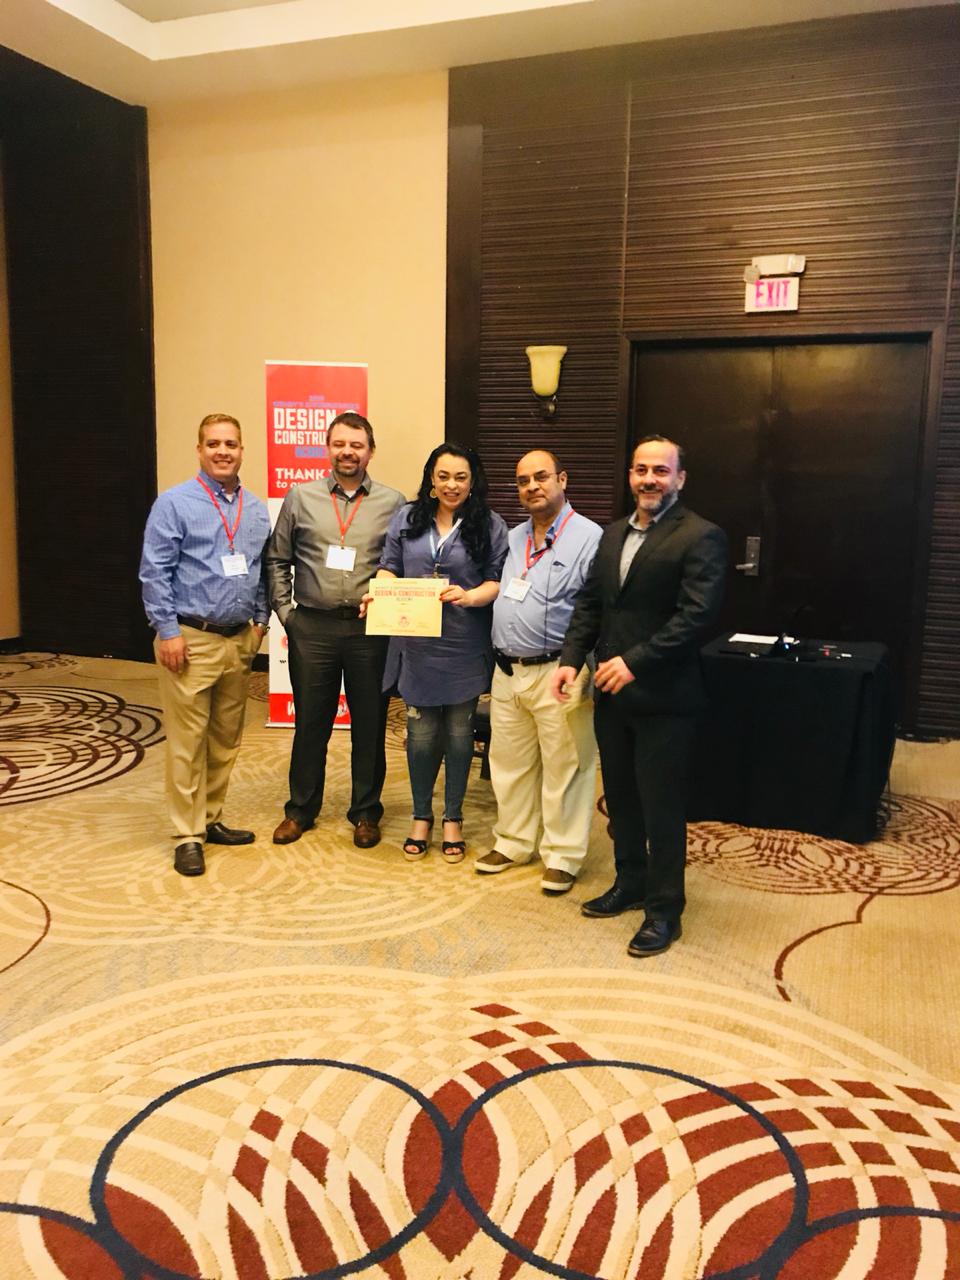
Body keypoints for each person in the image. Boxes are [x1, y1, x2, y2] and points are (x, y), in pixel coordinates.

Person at [551, 435, 726, 955]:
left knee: (661, 808)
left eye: (661, 471)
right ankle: (630, 882)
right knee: (622, 800)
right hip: (612, 698)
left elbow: (696, 618)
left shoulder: (701, 536)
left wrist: (634, 662)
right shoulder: (612, 535)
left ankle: (665, 910)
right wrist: (569, 660)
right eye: (641, 470)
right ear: (630, 476)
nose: (650, 479)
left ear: (680, 478)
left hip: (666, 699)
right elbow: (591, 605)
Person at [139, 413, 272, 877]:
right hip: (189, 638)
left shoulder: (255, 509)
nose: (222, 451)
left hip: (238, 640)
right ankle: (187, 834)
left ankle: (211, 818)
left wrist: (260, 623)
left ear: (242, 450)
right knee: (187, 743)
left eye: (230, 444)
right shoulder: (174, 504)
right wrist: (168, 631)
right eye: (213, 443)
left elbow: (260, 570)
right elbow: (154, 573)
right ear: (199, 450)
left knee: (225, 738)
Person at [266, 412, 404, 848]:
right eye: (340, 444)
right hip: (313, 627)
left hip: (370, 630)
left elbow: (401, 563)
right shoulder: (300, 497)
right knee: (311, 723)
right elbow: (277, 559)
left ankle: (365, 812)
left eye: (357, 445)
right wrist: (287, 614)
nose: (348, 452)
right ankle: (300, 810)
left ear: (371, 451)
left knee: (370, 725)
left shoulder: (393, 502)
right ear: (328, 448)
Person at [368, 443, 508, 862]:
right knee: (421, 735)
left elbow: (496, 580)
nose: (451, 485)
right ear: (431, 478)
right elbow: (389, 566)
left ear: (472, 481)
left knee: (461, 735)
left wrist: (469, 596)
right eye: (443, 476)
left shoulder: (490, 524)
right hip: (416, 643)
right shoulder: (408, 517)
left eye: (460, 477)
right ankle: (421, 815)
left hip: (463, 641)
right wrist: (380, 592)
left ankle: (453, 817)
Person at [474, 450, 602, 893]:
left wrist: (579, 667)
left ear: (562, 479)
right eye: (523, 480)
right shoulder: (513, 538)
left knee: (566, 766)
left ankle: (563, 854)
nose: (532, 486)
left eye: (541, 477)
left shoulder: (589, 537)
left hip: (559, 670)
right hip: (507, 671)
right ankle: (513, 842)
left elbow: (596, 609)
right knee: (508, 762)